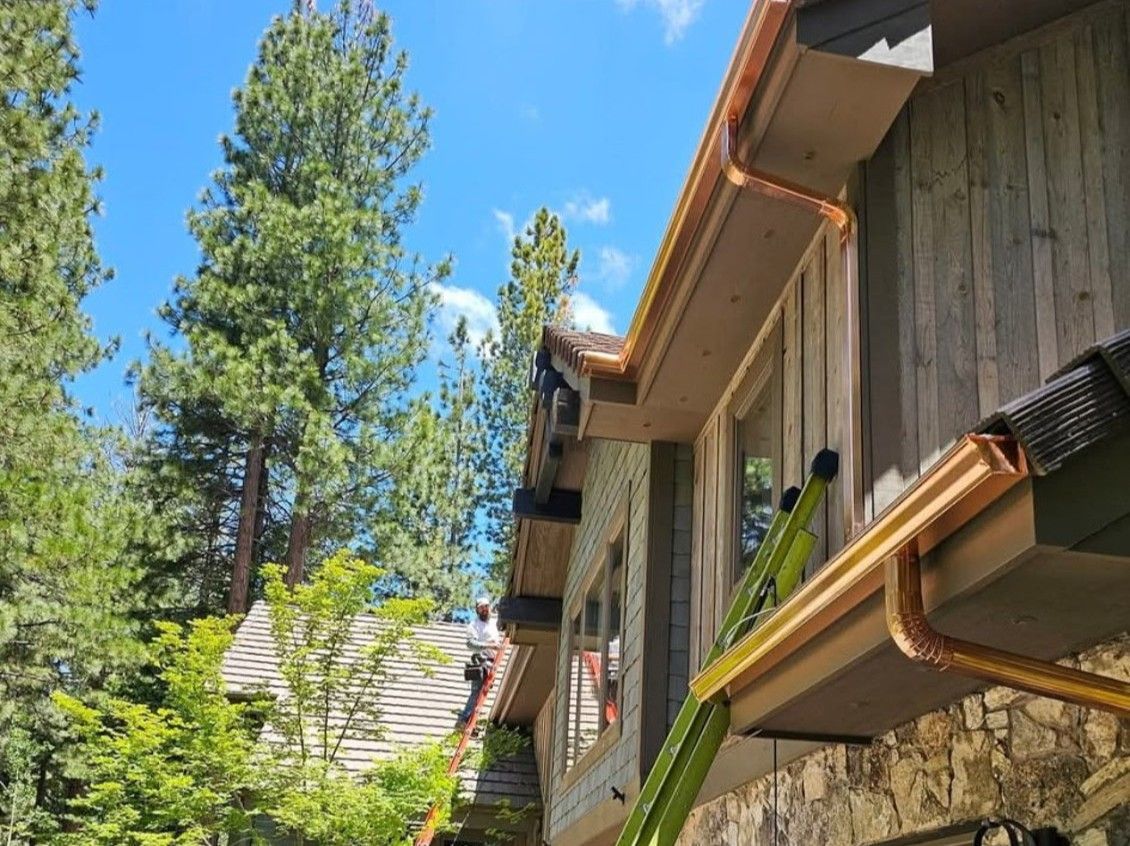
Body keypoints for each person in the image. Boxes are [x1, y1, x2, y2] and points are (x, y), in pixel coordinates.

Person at [456, 596, 502, 729]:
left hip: (493, 660)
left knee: (483, 691)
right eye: (481, 608)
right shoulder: (474, 625)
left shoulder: (495, 623)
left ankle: (472, 722)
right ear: (477, 610)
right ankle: (465, 719)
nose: (484, 610)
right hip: (481, 659)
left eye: (486, 607)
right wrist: (488, 645)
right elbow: (470, 643)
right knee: (477, 691)